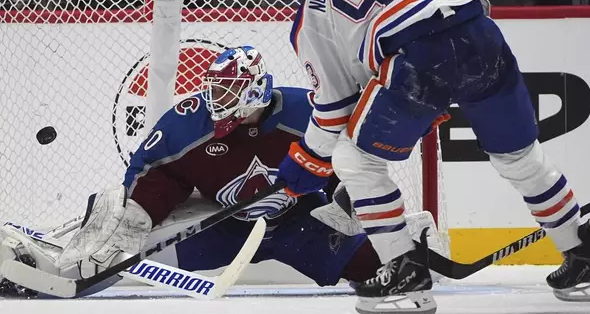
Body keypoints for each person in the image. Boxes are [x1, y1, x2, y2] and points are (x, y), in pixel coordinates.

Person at [275, 0, 590, 313]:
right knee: (520, 158)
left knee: (356, 162)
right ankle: (584, 261)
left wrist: (305, 161)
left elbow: (337, 107)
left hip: (421, 57)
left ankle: (405, 277)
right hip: (481, 33)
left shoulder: (313, 9)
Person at [0, 46, 443, 298]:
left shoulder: (305, 113)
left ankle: (413, 239)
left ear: (255, 89)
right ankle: (40, 265)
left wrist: (346, 195)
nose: (217, 100)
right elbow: (157, 175)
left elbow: (357, 145)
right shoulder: (190, 122)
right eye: (214, 88)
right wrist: (136, 214)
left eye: (229, 90)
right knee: (124, 255)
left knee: (369, 270)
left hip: (295, 222)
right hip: (220, 225)